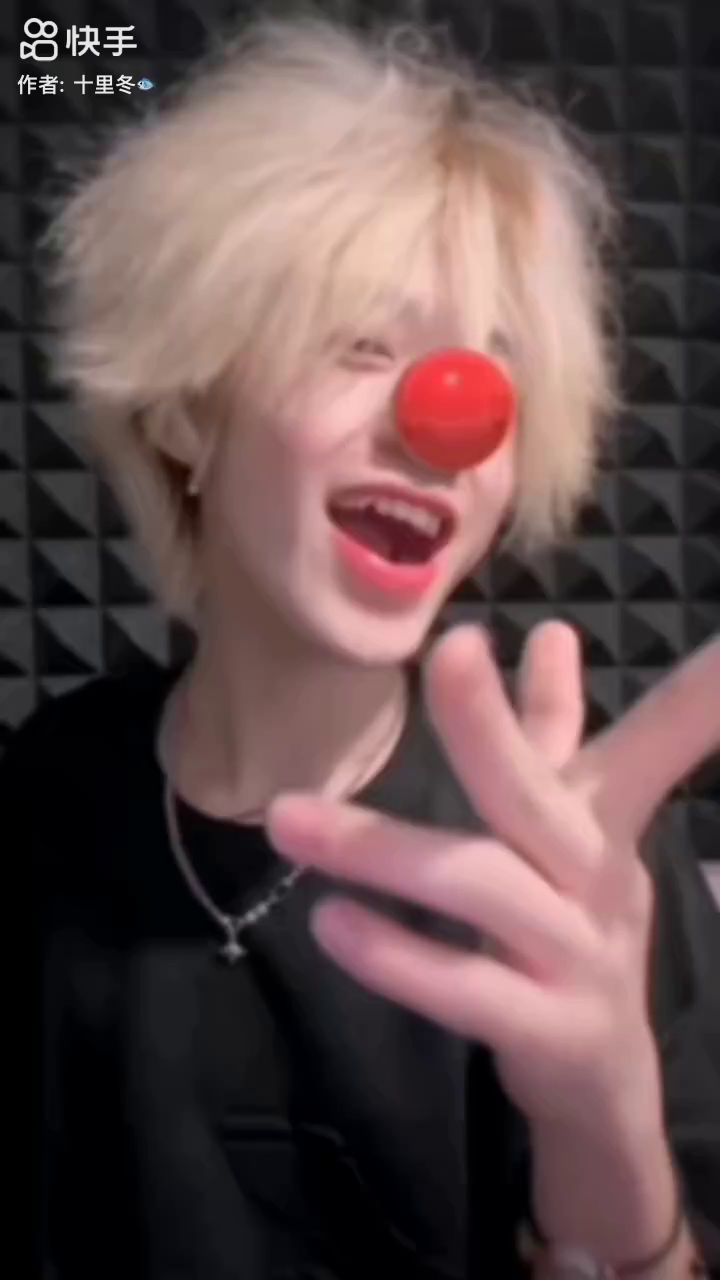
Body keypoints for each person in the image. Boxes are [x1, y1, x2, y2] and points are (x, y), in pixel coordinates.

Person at [6, 7, 719, 1278]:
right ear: (185, 408)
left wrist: (602, 1133)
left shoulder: (575, 847)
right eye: (361, 343)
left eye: (495, 373)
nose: (449, 422)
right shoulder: (48, 793)